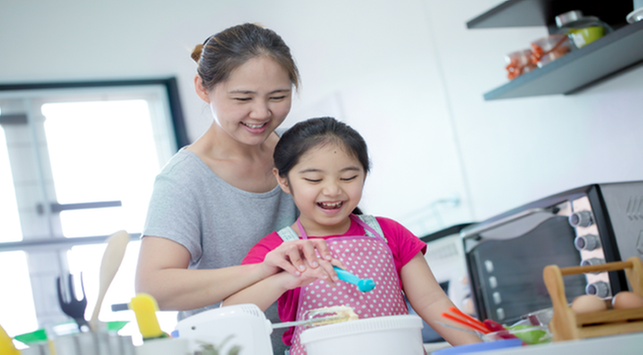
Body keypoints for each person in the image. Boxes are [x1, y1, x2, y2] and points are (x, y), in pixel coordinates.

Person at [135, 24, 340, 354]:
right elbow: (152, 289)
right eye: (242, 98)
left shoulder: (297, 152)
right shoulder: (184, 180)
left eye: (278, 97)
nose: (261, 113)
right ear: (203, 88)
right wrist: (264, 269)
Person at [223, 117, 482, 353]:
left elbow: (432, 302)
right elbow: (233, 312)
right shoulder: (278, 250)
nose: (333, 190)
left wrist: (483, 350)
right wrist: (283, 280)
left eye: (348, 177)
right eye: (314, 180)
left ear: (364, 175)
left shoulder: (389, 233)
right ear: (283, 180)